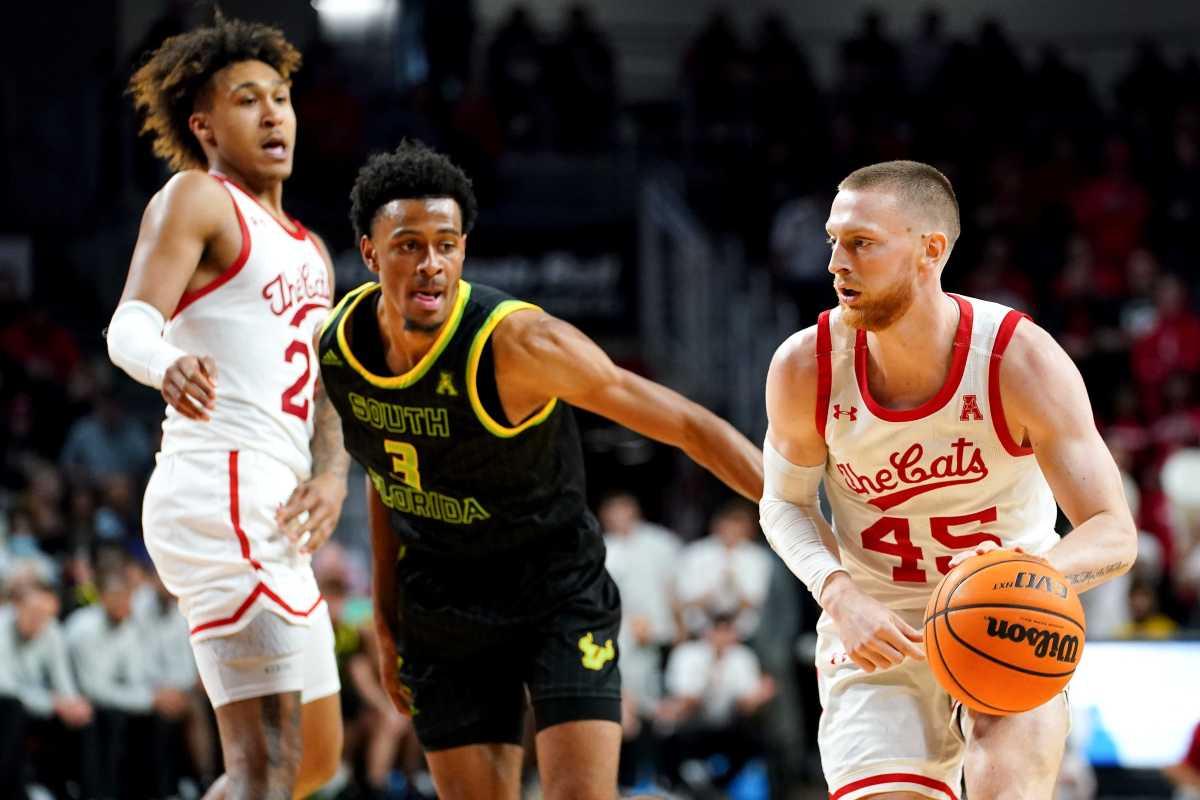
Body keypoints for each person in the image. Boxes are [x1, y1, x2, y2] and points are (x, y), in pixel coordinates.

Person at [317, 141, 763, 800]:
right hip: (443, 600)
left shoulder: (521, 345)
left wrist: (805, 512)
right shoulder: (339, 349)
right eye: (409, 245)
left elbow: (689, 425)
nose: (431, 263)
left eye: (447, 243)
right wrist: (386, 627)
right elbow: (387, 483)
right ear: (370, 253)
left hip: (552, 586)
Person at [759, 160, 1138, 799]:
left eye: (862, 243)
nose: (835, 264)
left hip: (1007, 614)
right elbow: (784, 504)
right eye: (834, 241)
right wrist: (839, 594)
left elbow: (1112, 531)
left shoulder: (1020, 359)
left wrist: (1034, 577)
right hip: (879, 628)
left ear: (930, 249)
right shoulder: (806, 366)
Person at [106, 14, 349, 799]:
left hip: (276, 504)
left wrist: (334, 474)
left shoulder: (311, 248)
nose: (274, 113)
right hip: (221, 489)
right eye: (248, 100)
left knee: (312, 760)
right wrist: (167, 361)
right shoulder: (199, 199)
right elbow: (130, 324)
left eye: (281, 96)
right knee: (264, 766)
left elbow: (326, 387)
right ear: (204, 124)